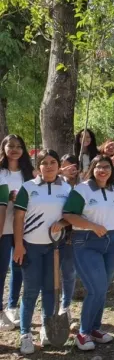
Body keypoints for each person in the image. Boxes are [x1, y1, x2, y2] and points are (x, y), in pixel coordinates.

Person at [62, 155, 114, 351]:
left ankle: (95, 329)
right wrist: (92, 225)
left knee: (103, 287)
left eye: (106, 167)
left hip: (111, 242)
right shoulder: (82, 189)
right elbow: (68, 215)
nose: (103, 170)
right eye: (99, 167)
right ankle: (82, 333)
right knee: (96, 288)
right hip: (86, 242)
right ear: (92, 168)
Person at [12, 149, 72, 354]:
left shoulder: (66, 188)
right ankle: (25, 333)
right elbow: (18, 217)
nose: (48, 166)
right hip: (31, 247)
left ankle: (47, 328)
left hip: (56, 248)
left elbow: (72, 215)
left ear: (58, 165)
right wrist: (19, 245)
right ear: (38, 166)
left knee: (50, 289)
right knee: (30, 291)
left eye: (52, 162)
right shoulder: (28, 187)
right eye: (44, 162)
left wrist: (62, 222)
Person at [0, 134, 34, 329]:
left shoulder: (28, 173)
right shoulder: (0, 172)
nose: (14, 149)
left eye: (19, 146)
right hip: (3, 229)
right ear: (3, 148)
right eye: (10, 146)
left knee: (19, 266)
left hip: (24, 228)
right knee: (2, 270)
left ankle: (13, 306)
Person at [58, 155, 80, 321]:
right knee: (51, 273)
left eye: (74, 166)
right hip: (51, 235)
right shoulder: (54, 182)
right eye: (67, 165)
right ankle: (51, 306)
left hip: (71, 236)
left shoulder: (81, 186)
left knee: (69, 272)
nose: (71, 168)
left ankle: (65, 306)